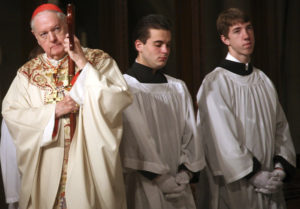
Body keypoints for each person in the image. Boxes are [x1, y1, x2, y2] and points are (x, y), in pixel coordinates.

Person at [1, 3, 132, 209]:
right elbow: (12, 114)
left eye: (56, 29)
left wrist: (82, 62)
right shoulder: (27, 74)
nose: (52, 38)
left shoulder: (99, 60)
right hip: (47, 167)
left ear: (68, 26)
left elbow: (117, 98)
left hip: (89, 165)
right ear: (35, 36)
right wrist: (53, 111)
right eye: (43, 34)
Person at [195, 8, 296, 209]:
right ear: (225, 39)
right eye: (237, 31)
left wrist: (279, 169)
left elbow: (280, 128)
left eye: (249, 28)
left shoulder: (263, 80)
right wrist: (254, 174)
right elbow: (220, 137)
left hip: (270, 184)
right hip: (235, 186)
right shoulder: (215, 82)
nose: (246, 35)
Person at [120, 14, 206, 209]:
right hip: (143, 184)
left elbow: (191, 134)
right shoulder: (124, 87)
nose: (165, 51)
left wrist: (186, 172)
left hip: (179, 184)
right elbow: (130, 140)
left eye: (168, 45)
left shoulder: (177, 87)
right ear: (139, 45)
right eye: (158, 44)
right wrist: (159, 177)